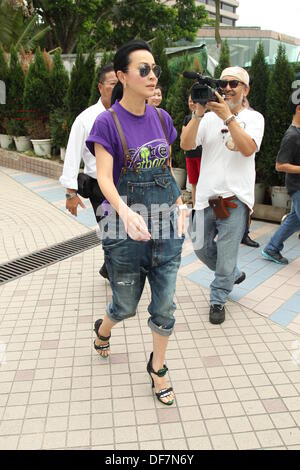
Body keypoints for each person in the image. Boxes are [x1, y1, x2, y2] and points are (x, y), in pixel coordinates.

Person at [86, 39, 185, 406]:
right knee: (125, 306)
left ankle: (157, 367)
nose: (152, 75)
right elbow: (105, 178)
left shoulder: (162, 117)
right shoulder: (106, 122)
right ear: (122, 76)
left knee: (164, 307)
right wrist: (126, 213)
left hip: (165, 227)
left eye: (154, 68)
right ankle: (104, 327)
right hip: (123, 230)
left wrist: (180, 202)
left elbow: (164, 168)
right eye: (143, 69)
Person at [181, 66, 265, 325]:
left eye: (234, 84)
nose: (227, 88)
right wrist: (197, 114)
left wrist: (229, 118)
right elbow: (185, 144)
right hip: (207, 197)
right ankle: (232, 273)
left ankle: (218, 299)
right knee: (199, 246)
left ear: (245, 89)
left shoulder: (254, 118)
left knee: (226, 253)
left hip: (235, 198)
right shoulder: (207, 118)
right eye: (223, 83)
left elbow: (248, 148)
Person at [59, 64, 118, 278]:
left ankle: (110, 264)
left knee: (122, 232)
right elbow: (72, 157)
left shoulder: (129, 114)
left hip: (126, 185)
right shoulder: (86, 119)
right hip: (99, 188)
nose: (118, 88)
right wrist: (70, 194)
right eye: (113, 84)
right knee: (112, 232)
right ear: (101, 87)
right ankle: (115, 271)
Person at [262, 94, 300, 265]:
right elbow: (280, 165)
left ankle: (272, 248)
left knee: (294, 220)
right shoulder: (291, 136)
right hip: (297, 187)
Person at [182, 93, 202, 206]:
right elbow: (183, 135)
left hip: (201, 155)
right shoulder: (187, 118)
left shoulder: (205, 117)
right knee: (194, 183)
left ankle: (202, 206)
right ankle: (195, 206)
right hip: (190, 155)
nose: (192, 103)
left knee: (202, 183)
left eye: (194, 101)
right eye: (190, 101)